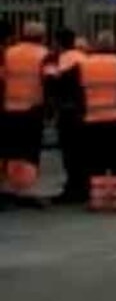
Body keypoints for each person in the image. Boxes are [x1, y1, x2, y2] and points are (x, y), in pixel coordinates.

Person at [1, 21, 53, 206]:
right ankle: (26, 189)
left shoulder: (9, 53)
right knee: (29, 151)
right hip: (32, 109)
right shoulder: (45, 54)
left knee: (10, 149)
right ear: (42, 36)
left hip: (9, 108)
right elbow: (50, 80)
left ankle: (8, 187)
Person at [80, 32, 116, 212]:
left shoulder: (85, 64)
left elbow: (76, 88)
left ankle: (98, 200)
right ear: (113, 45)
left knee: (96, 160)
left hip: (93, 119)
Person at [50, 28, 89, 205]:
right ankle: (84, 187)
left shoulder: (64, 60)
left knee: (71, 154)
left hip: (69, 112)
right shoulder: (83, 57)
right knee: (82, 152)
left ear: (58, 42)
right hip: (85, 112)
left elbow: (56, 84)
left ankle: (74, 190)